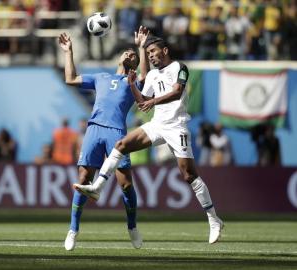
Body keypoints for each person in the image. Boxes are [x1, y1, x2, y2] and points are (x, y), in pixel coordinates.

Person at [75, 36, 224, 244]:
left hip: (176, 126)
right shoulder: (152, 75)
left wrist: (153, 101)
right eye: (149, 53)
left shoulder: (180, 67)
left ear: (164, 50)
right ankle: (98, 186)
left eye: (154, 51)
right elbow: (142, 101)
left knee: (188, 175)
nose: (151, 55)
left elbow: (177, 92)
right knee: (121, 145)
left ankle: (213, 219)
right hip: (157, 125)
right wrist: (132, 84)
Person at [58, 25, 149, 251]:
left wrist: (142, 48)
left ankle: (132, 227)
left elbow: (146, 77)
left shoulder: (132, 82)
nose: (129, 54)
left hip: (117, 133)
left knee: (125, 183)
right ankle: (73, 230)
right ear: (119, 58)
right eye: (126, 52)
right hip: (94, 130)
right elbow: (70, 78)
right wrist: (69, 52)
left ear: (135, 63)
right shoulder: (100, 77)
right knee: (84, 178)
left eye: (133, 55)